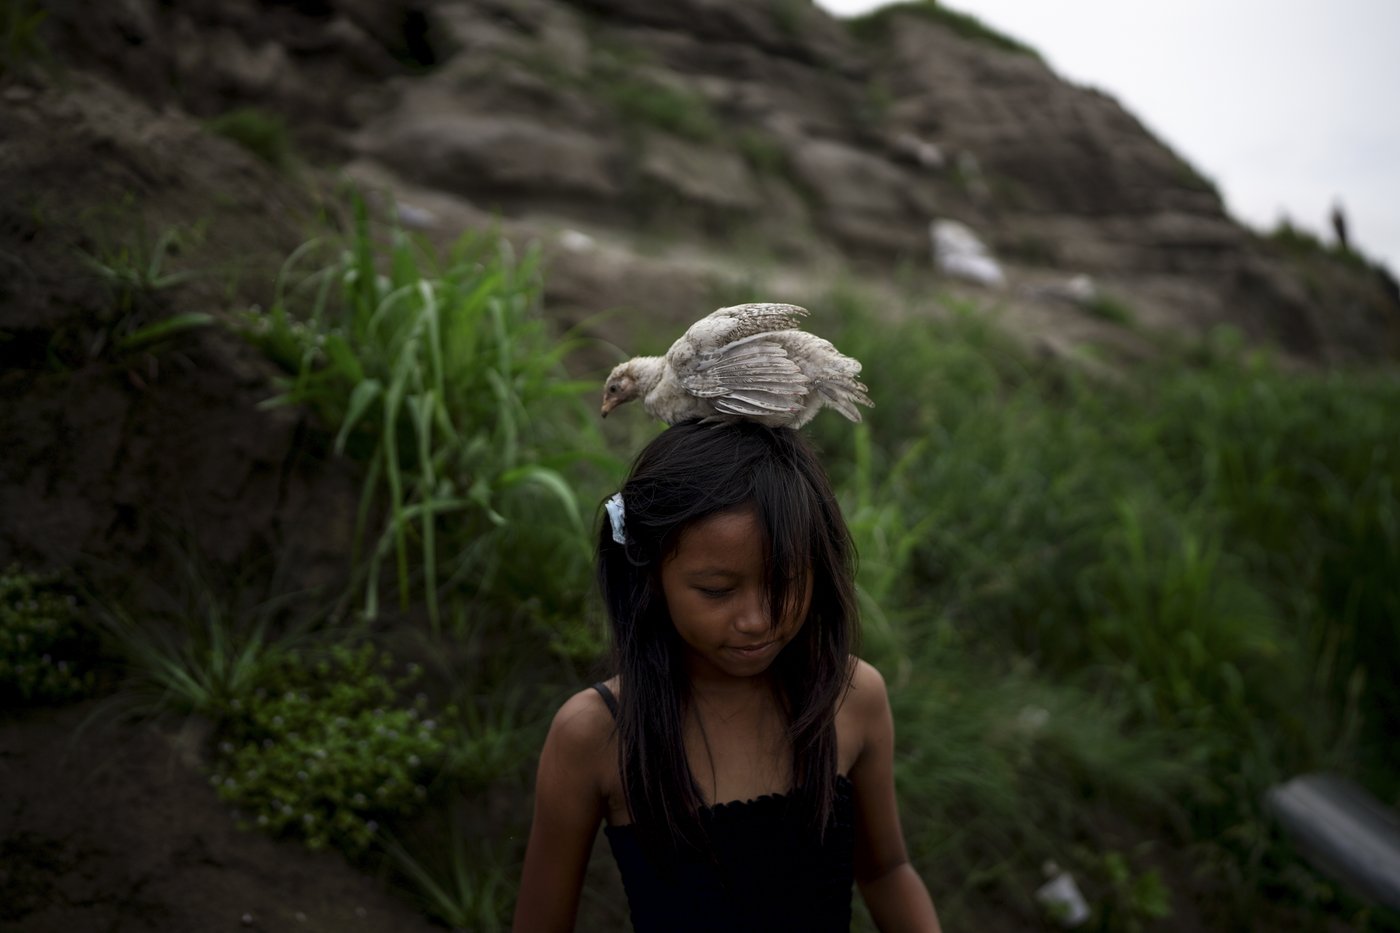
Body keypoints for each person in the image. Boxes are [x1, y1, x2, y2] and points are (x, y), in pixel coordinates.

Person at [513, 420, 941, 932]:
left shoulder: (850, 697)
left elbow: (887, 870)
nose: (756, 620)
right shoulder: (595, 734)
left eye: (784, 579)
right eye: (716, 590)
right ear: (651, 577)